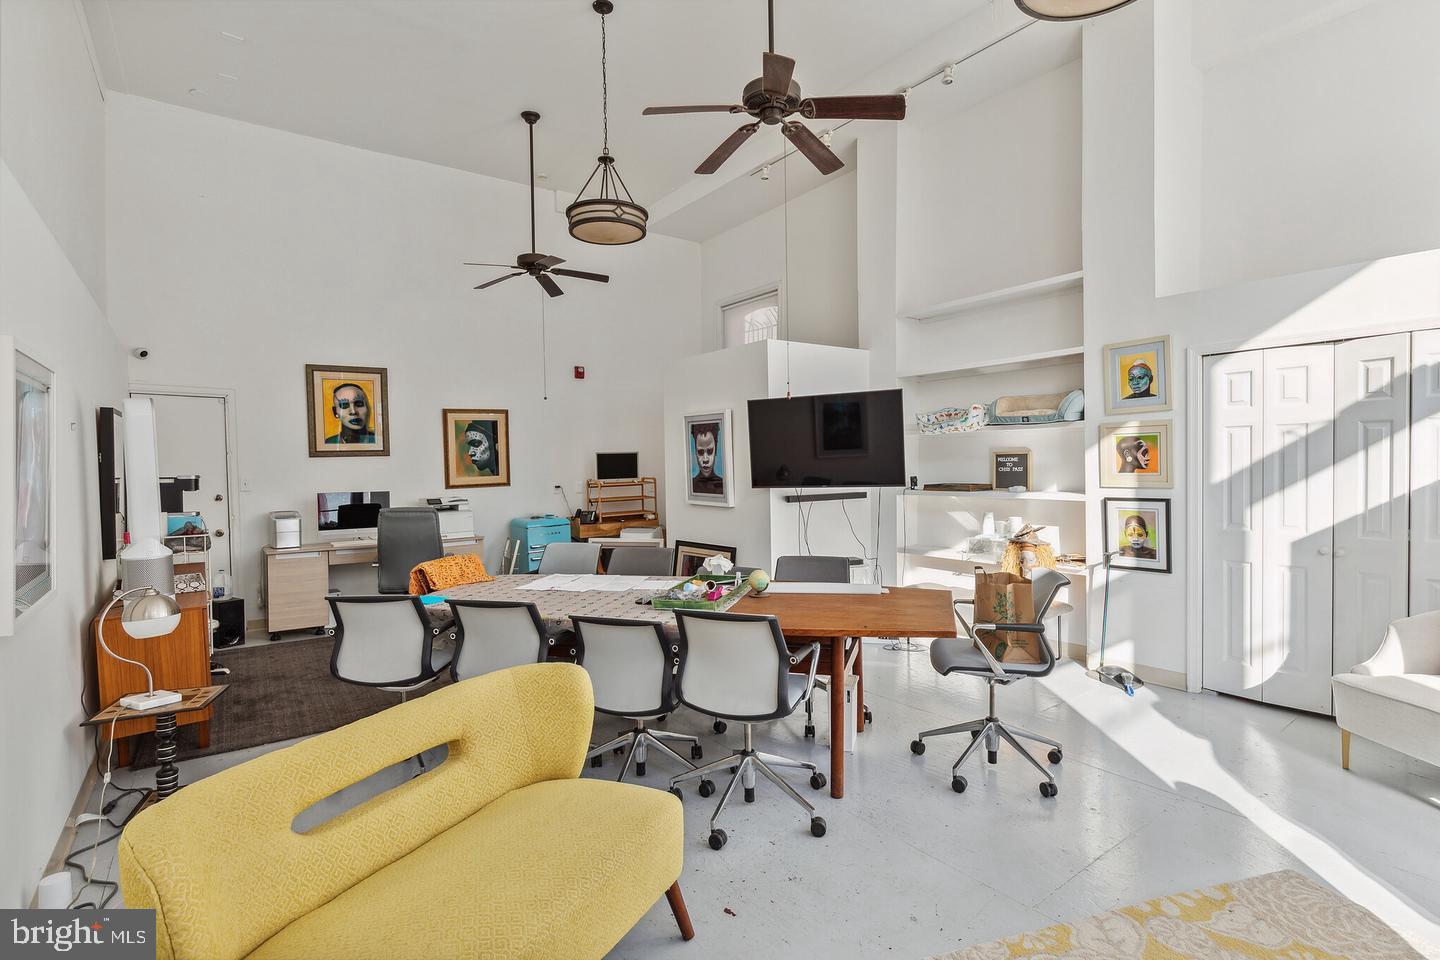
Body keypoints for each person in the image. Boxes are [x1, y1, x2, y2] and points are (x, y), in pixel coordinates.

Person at [690, 422, 724, 496]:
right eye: (700, 452)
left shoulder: (724, 485)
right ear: (695, 452)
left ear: (716, 450)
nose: (705, 459)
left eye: (710, 451)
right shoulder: (690, 486)